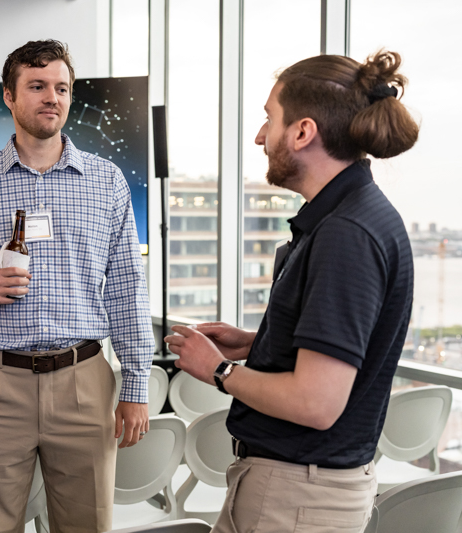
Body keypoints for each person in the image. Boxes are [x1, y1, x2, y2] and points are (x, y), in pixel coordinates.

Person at [165, 50, 419, 533]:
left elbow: (315, 403)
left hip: (296, 499)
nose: (260, 136)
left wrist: (218, 369)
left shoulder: (347, 233)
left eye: (269, 119)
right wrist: (257, 344)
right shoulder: (356, 216)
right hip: (304, 492)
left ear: (302, 132)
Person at [0, 39, 154, 533]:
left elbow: (125, 287)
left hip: (83, 380)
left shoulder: (107, 181)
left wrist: (137, 385)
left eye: (61, 87)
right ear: (10, 97)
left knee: (87, 525)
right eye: (37, 86)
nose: (51, 97)